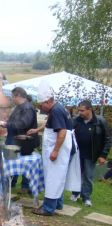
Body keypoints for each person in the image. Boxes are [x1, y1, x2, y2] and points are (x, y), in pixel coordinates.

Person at [28, 81, 81, 216]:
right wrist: (37, 129)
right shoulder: (57, 108)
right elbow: (50, 124)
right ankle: (58, 204)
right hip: (65, 147)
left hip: (61, 149)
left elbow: (62, 131)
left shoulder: (56, 111)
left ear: (48, 101)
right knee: (59, 176)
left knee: (53, 177)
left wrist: (55, 151)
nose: (40, 107)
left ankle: (48, 208)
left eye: (41, 105)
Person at [70, 100, 111, 206]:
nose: (80, 113)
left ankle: (86, 197)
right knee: (77, 174)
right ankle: (75, 193)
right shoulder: (76, 121)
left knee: (88, 176)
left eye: (82, 111)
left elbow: (108, 139)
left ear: (90, 109)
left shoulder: (100, 121)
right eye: (79, 110)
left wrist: (103, 155)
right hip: (77, 153)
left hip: (91, 153)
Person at [5, 87, 38, 192]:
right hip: (13, 140)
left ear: (18, 96)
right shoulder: (18, 107)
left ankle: (25, 186)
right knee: (11, 162)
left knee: (24, 164)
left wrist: (6, 124)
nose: (12, 99)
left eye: (12, 97)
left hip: (24, 142)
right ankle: (11, 183)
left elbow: (23, 124)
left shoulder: (27, 108)